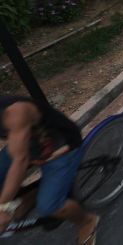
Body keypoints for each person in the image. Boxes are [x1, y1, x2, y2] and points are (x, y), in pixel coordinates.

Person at [0, 96, 99, 244]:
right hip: (28, 144)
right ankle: (28, 196)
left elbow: (20, 161)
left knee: (49, 207)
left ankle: (87, 222)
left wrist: (3, 207)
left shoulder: (16, 112)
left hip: (60, 146)